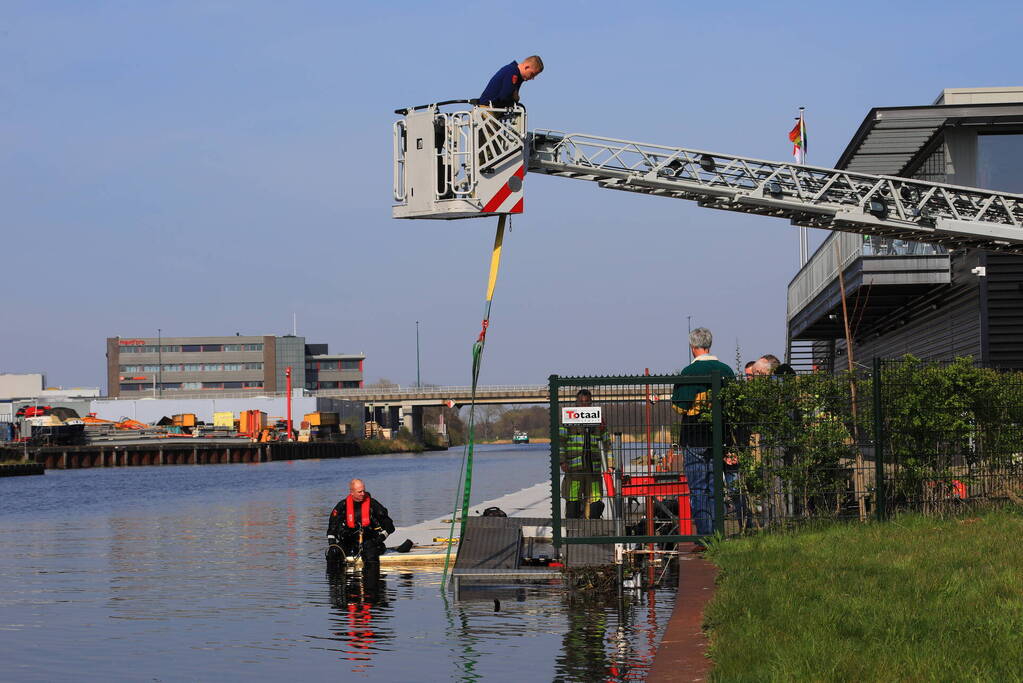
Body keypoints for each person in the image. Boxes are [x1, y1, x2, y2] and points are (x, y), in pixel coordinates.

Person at [671, 328, 735, 536]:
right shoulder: (726, 371)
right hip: (720, 436)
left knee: (698, 488)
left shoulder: (689, 373)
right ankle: (718, 532)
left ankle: (705, 535)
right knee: (716, 486)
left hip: (694, 437)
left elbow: (679, 405)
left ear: (692, 347)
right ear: (710, 344)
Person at [560, 389, 608, 520]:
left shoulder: (598, 419)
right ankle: (572, 528)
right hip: (574, 469)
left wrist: (610, 463)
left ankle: (594, 527)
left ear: (591, 402)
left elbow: (606, 443)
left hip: (594, 468)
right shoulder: (567, 418)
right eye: (581, 402)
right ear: (576, 403)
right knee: (573, 498)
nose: (584, 405)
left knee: (596, 499)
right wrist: (562, 461)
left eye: (587, 402)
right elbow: (560, 441)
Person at [326, 478, 395, 563]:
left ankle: (371, 575)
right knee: (332, 554)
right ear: (352, 492)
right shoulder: (342, 506)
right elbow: (332, 528)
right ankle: (336, 575)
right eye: (359, 492)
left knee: (370, 556)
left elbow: (390, 526)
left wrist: (379, 539)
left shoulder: (373, 504)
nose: (363, 494)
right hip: (349, 541)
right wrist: (332, 544)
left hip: (369, 541)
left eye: (363, 491)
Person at [478, 55, 544, 108]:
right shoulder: (512, 72)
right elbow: (504, 97)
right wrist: (513, 102)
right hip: (486, 109)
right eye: (532, 74)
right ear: (527, 67)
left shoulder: (517, 75)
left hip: (489, 109)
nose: (532, 78)